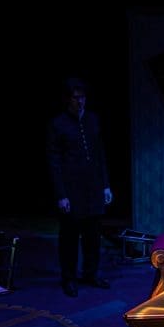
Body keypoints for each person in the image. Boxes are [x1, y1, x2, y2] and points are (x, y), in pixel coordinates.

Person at [47, 78, 113, 297]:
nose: (80, 101)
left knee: (93, 235)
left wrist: (105, 185)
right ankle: (69, 278)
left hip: (93, 187)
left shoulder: (93, 119)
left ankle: (90, 273)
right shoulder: (58, 124)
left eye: (82, 97)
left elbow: (100, 155)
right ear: (68, 99)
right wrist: (61, 195)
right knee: (69, 237)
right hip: (71, 190)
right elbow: (54, 162)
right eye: (76, 98)